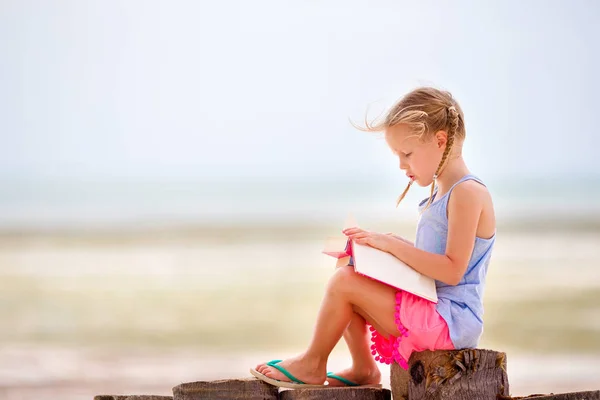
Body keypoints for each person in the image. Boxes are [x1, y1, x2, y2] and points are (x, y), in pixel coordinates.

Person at [250, 87, 497, 388]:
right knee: (348, 268)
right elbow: (433, 265)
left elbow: (452, 269)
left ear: (440, 140)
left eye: (407, 154)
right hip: (435, 308)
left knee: (344, 284)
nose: (402, 165)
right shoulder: (445, 193)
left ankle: (313, 363)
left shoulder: (467, 193)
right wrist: (384, 248)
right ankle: (364, 369)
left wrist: (392, 246)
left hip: (450, 321)